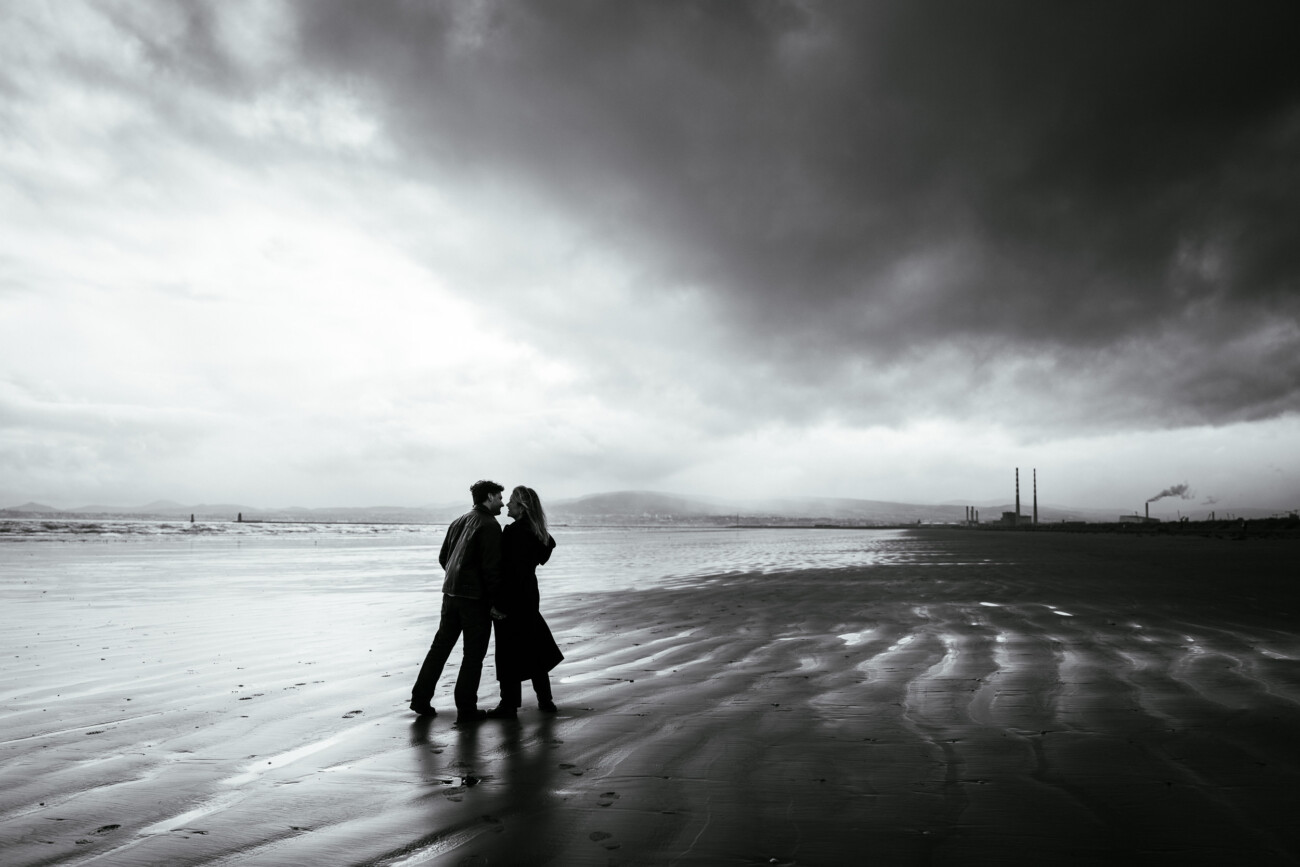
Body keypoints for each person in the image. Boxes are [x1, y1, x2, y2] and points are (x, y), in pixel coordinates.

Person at [409, 479, 504, 725]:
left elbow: (444, 558)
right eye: (500, 498)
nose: (503, 503)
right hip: (475, 600)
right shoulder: (490, 526)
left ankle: (420, 698)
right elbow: (491, 570)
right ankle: (466, 709)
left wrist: (457, 580)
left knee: (439, 648)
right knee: (473, 655)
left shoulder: (458, 521)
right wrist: (496, 602)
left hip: (450, 596)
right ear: (490, 497)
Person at [486, 485, 563, 718]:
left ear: (522, 507)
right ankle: (545, 700)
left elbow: (509, 572)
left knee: (508, 649)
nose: (507, 504)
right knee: (533, 644)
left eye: (511, 501)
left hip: (512, 594)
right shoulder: (536, 532)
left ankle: (508, 705)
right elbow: (548, 546)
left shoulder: (514, 533)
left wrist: (498, 603)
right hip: (529, 593)